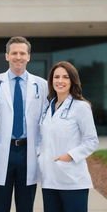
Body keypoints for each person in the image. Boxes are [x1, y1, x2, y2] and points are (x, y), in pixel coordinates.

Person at [0, 36, 48, 212]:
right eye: (14, 53)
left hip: (28, 151)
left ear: (29, 56)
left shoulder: (42, 85)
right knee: (0, 206)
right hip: (2, 151)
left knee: (26, 206)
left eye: (22, 53)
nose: (18, 57)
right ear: (6, 56)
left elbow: (46, 121)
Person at [38, 61, 99, 212]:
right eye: (56, 77)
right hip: (50, 180)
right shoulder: (48, 106)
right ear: (51, 81)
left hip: (72, 180)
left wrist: (70, 156)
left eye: (65, 77)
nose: (60, 81)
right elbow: (43, 137)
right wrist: (40, 155)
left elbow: (92, 141)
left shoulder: (81, 107)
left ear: (72, 81)